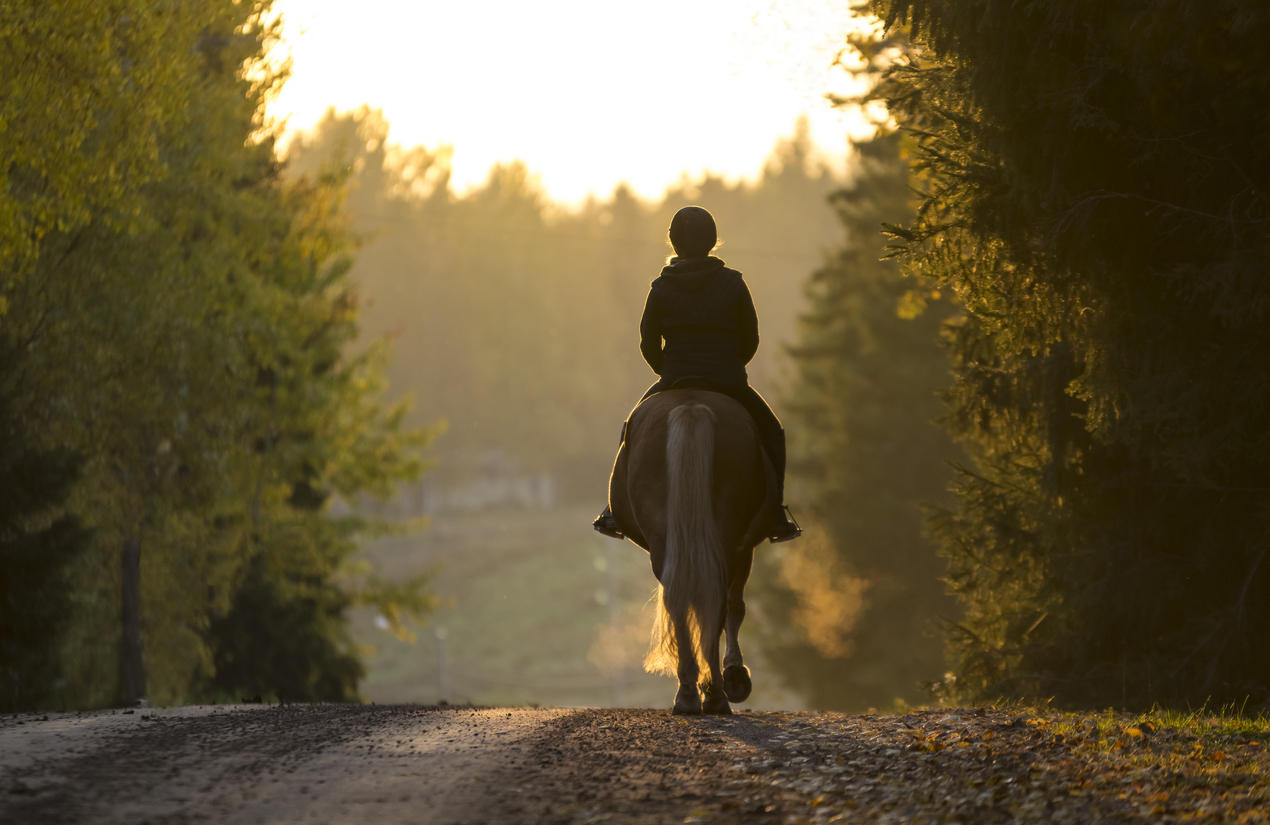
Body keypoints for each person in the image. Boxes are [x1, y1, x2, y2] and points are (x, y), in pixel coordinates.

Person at [594, 205, 801, 543]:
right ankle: (777, 514)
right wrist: (730, 367)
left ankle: (613, 512)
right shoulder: (734, 284)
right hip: (728, 381)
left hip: (674, 379)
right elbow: (751, 337)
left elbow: (647, 342)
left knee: (631, 430)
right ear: (712, 241)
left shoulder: (660, 288)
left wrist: (670, 372)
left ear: (674, 242)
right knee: (773, 432)